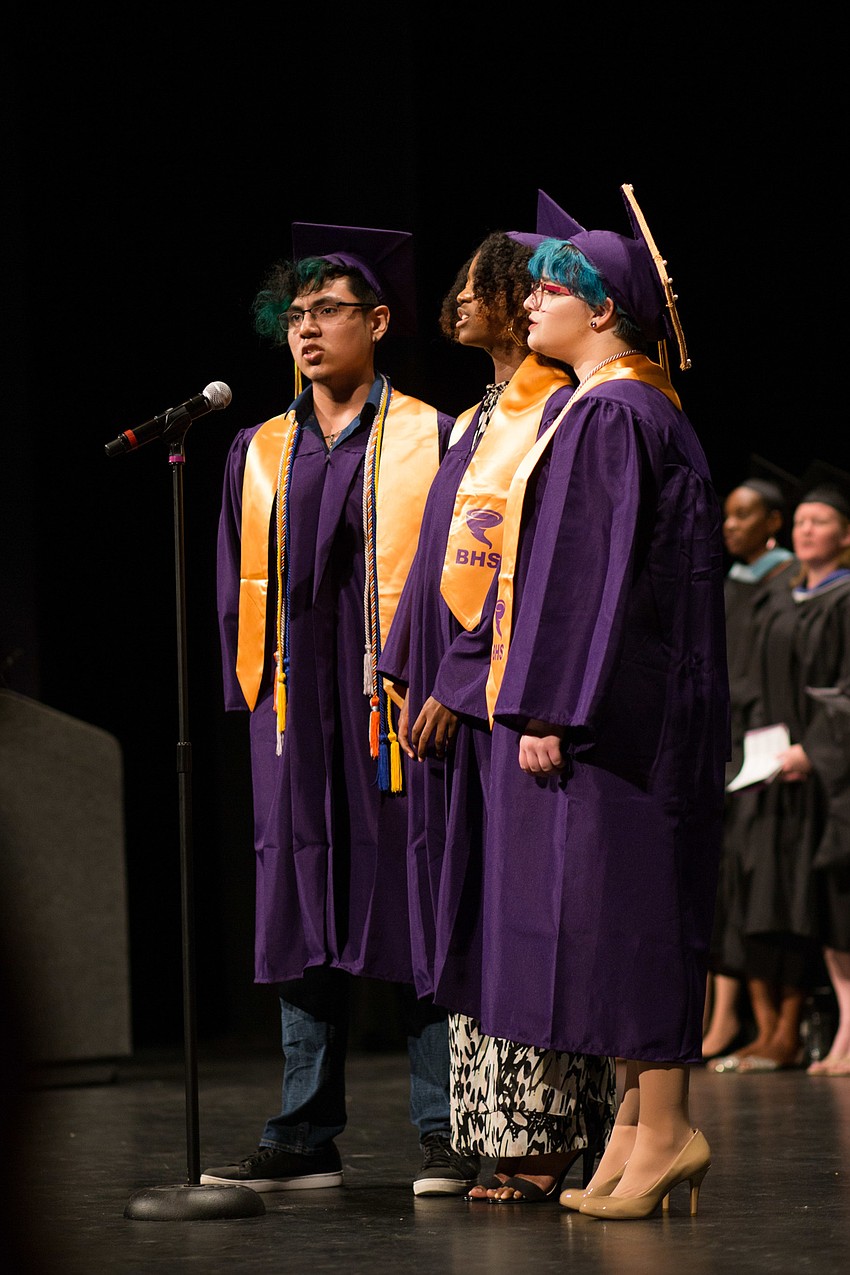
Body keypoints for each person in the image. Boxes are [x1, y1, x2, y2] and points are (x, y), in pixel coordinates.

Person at [442, 185, 729, 1220]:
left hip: (618, 720)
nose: (529, 306)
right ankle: (636, 1130)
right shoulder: (635, 407)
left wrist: (551, 707)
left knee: (631, 918)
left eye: (549, 290)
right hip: (642, 710)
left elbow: (588, 577)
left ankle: (665, 1130)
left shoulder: (611, 413)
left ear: (600, 307)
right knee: (619, 920)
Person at [202, 222, 477, 1197]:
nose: (306, 329)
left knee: (410, 897)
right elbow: (237, 592)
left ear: (380, 320)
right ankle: (304, 1124)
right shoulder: (257, 450)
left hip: (391, 715)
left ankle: (445, 1127)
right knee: (298, 904)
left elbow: (462, 581)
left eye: (327, 310)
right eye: (295, 314)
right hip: (290, 721)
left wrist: (447, 685)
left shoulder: (433, 438)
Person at [379, 194, 616, 1204]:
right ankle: (499, 1130)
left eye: (489, 281)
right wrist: (400, 665)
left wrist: (463, 679)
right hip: (452, 708)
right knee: (473, 913)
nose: (469, 297)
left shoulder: (559, 411)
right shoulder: (480, 419)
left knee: (530, 918)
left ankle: (549, 1136)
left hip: (506, 701)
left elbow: (541, 571)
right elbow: (440, 551)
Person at [713, 465, 850, 1076]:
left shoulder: (837, 599)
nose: (806, 530)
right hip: (768, 762)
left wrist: (813, 749)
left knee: (805, 898)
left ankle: (798, 1032)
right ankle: (770, 1029)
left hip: (816, 770)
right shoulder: (785, 595)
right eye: (802, 521)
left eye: (818, 521)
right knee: (760, 892)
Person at [702, 465, 798, 1061]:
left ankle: (775, 1028)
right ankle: (735, 1021)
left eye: (742, 515)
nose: (728, 525)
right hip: (728, 748)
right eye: (727, 514)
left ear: (772, 524)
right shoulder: (726, 580)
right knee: (728, 889)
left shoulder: (788, 583)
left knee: (769, 889)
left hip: (769, 749)